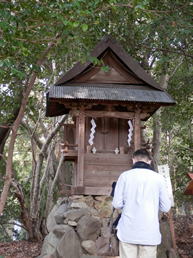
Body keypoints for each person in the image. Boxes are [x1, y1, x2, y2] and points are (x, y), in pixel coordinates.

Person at [112, 149, 171, 258]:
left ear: (133, 160)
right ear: (149, 161)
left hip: (128, 230)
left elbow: (116, 204)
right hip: (149, 232)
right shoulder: (159, 178)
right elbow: (166, 207)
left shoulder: (124, 176)